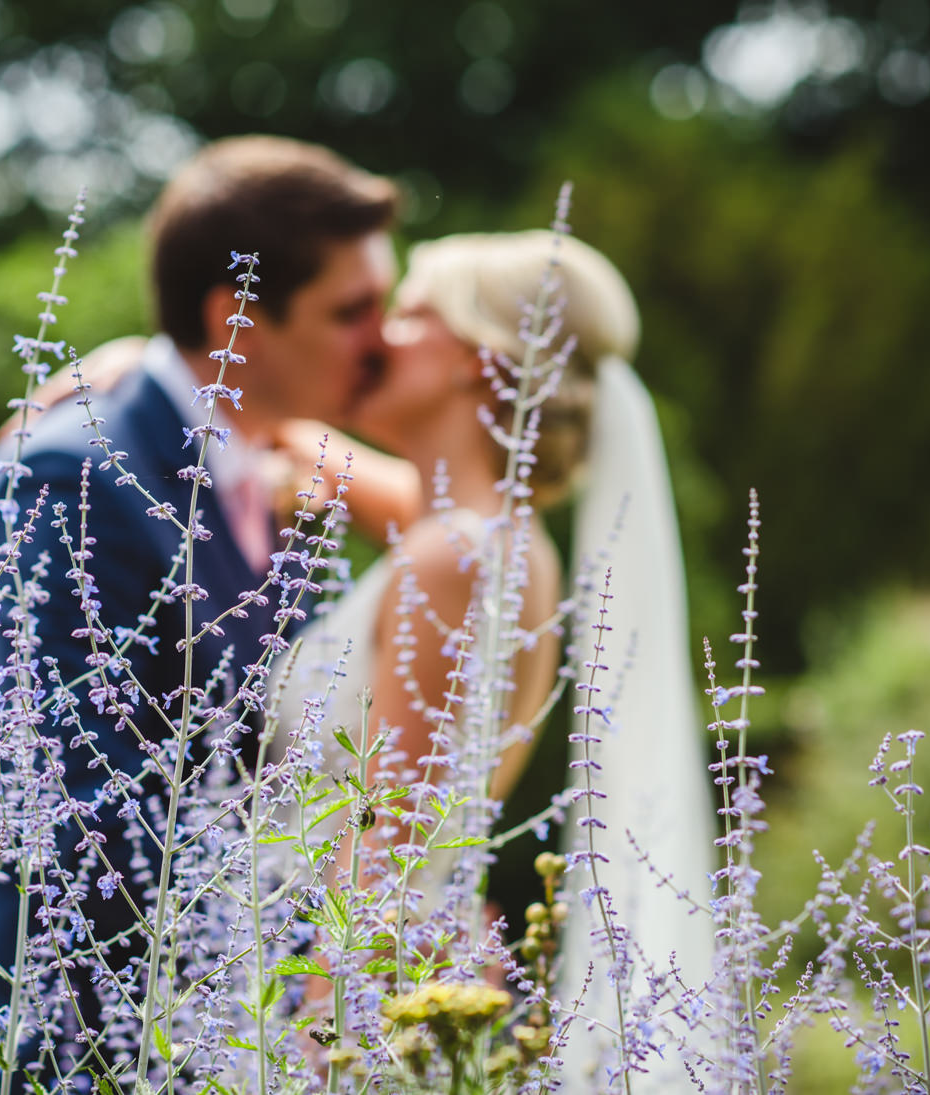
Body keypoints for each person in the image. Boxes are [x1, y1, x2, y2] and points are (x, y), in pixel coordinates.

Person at [0, 135, 399, 1077]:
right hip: (74, 1039)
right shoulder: (66, 476)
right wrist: (344, 925)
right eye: (353, 311)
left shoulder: (283, 481)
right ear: (238, 321)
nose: (382, 342)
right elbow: (81, 807)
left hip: (229, 1032)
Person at [272, 229, 713, 1091]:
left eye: (408, 312)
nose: (377, 334)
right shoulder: (494, 540)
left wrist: (318, 1052)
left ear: (477, 357)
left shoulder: (458, 557)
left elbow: (386, 837)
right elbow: (378, 482)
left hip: (348, 996)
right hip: (394, 967)